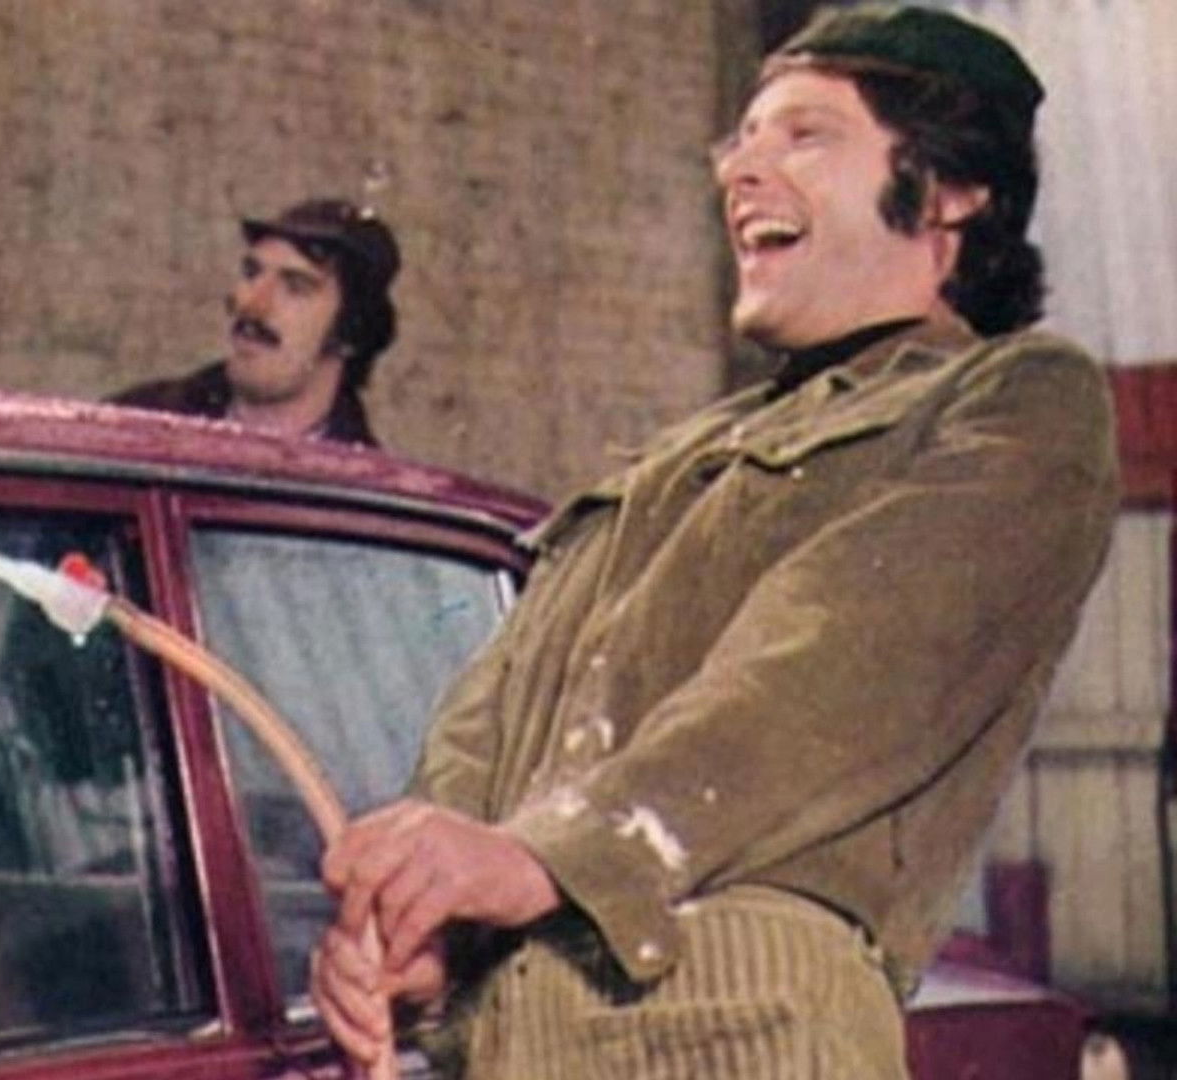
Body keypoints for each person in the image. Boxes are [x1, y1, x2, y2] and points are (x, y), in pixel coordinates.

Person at [309, 6, 1118, 1078]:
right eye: (740, 139)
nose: (740, 169)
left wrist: (536, 858)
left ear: (951, 190)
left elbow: (834, 671)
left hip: (736, 1031)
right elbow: (495, 707)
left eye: (805, 135)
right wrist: (429, 924)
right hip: (512, 1041)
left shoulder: (1015, 399)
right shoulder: (679, 457)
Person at [110, 197, 399, 446]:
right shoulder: (132, 428)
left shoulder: (366, 486)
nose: (252, 304)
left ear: (352, 330)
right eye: (251, 273)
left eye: (296, 286)